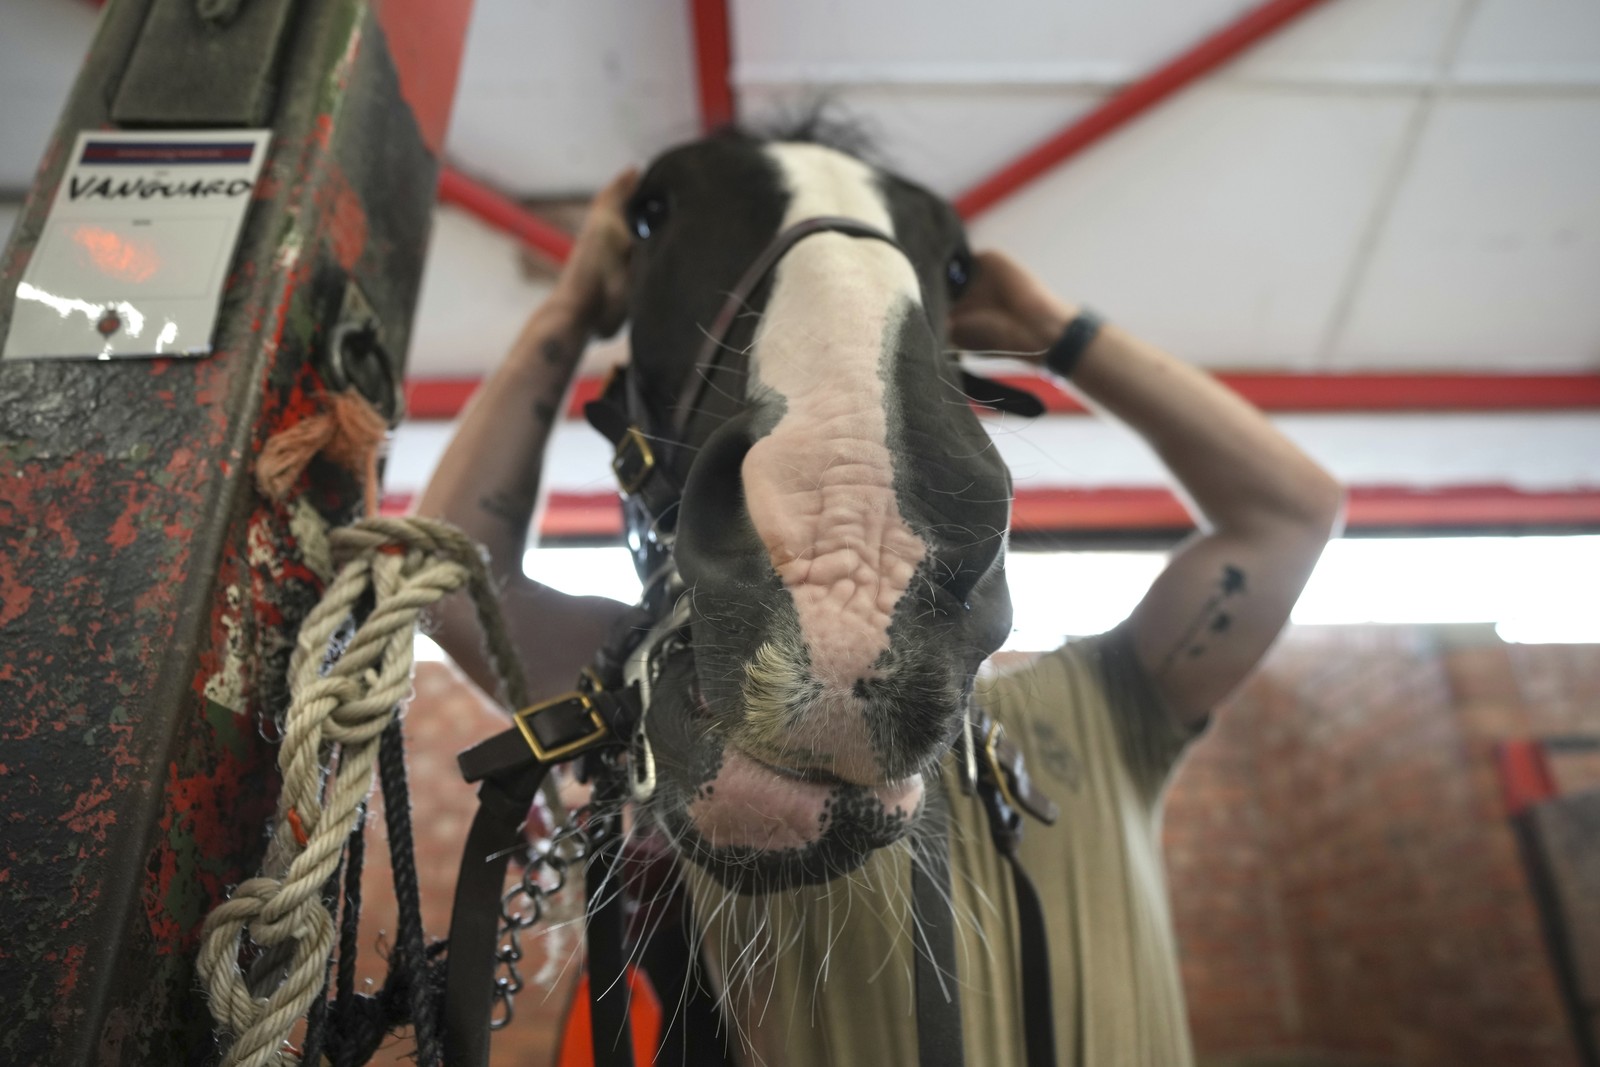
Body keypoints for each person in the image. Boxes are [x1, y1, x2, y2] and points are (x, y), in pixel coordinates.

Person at [418, 166, 1343, 1066]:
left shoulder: (1109, 706)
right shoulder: (698, 700)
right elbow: (455, 574)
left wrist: (1055, 331)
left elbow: (1291, 513)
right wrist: (570, 305)